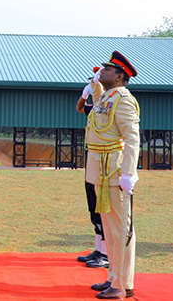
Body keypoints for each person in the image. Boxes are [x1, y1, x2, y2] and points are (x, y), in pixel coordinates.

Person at [85, 51, 140, 300]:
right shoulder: (109, 96)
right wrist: (95, 86)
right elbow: (98, 112)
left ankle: (122, 284)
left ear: (119, 76)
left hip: (115, 171)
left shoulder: (124, 100)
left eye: (107, 70)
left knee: (120, 229)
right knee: (109, 228)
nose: (102, 71)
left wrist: (129, 173)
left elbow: (132, 138)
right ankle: (113, 276)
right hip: (101, 169)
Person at [76, 68, 109, 269]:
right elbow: (81, 108)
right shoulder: (95, 108)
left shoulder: (105, 106)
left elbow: (99, 104)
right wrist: (84, 94)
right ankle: (99, 249)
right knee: (92, 204)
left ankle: (105, 254)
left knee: (101, 206)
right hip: (92, 156)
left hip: (103, 159)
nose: (93, 83)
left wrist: (95, 90)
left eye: (96, 80)